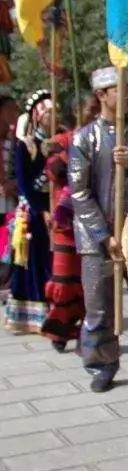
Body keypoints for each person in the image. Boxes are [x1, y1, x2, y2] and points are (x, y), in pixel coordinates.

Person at [69, 67, 128, 392]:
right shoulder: (84, 139)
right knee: (100, 308)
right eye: (120, 91)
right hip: (98, 241)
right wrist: (103, 236)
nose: (127, 97)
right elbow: (79, 193)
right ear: (102, 95)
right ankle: (101, 366)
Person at [41, 96, 99, 351]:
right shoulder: (61, 141)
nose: (95, 113)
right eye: (90, 108)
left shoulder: (102, 138)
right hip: (66, 222)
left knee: (91, 284)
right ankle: (59, 330)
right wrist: (71, 156)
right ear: (77, 110)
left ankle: (87, 334)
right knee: (64, 280)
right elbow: (53, 171)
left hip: (92, 219)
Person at [4, 90, 53, 332]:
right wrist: (40, 210)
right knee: (32, 261)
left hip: (56, 208)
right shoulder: (26, 145)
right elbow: (23, 183)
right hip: (33, 212)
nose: (51, 117)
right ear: (37, 115)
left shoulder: (59, 141)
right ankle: (32, 314)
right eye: (47, 113)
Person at [0, 91, 21, 295]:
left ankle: (5, 280)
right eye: (11, 110)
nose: (15, 113)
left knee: (7, 238)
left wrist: (14, 183)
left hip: (9, 201)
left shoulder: (14, 141)